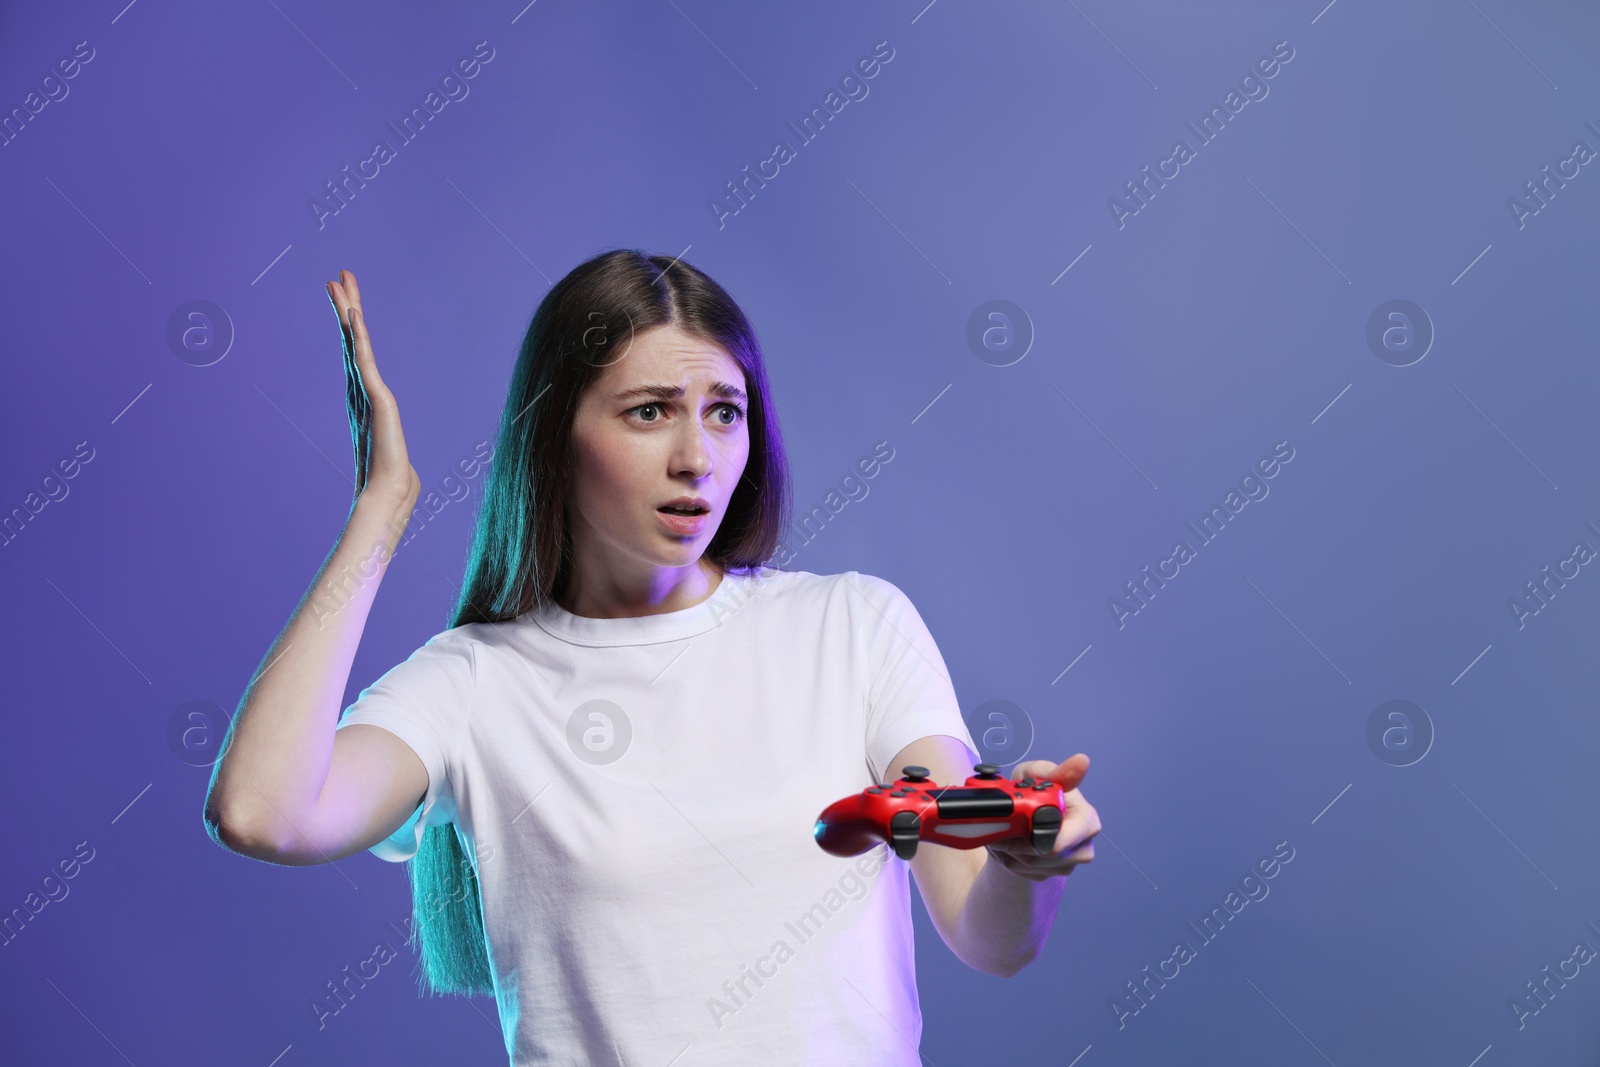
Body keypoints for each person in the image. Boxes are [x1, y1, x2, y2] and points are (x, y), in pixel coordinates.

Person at [203, 249, 1101, 1066]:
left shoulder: (854, 625)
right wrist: (381, 509)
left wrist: (1027, 864)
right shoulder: (471, 681)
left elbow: (991, 939)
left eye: (724, 413)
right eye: (649, 413)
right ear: (556, 433)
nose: (697, 459)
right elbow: (259, 810)